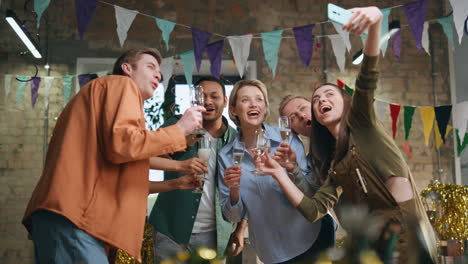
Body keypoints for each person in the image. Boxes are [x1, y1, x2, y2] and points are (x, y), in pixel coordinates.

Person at [256, 7, 438, 264]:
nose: (321, 101)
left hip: (405, 233)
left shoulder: (362, 124)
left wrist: (375, 21)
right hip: (369, 242)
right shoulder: (333, 163)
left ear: (346, 102)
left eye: (329, 95)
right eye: (316, 99)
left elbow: (367, 78)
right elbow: (314, 209)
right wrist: (278, 172)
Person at [22, 48, 205, 264]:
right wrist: (180, 129)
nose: (159, 74)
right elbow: (125, 145)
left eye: (159, 70)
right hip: (77, 218)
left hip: (69, 216)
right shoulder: (121, 85)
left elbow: (126, 163)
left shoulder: (105, 97)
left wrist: (178, 176)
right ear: (127, 69)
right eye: (150, 67)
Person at [218, 79, 335, 264]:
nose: (254, 104)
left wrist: (292, 170)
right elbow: (234, 216)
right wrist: (234, 189)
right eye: (245, 100)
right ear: (233, 110)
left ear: (265, 108)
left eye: (259, 99)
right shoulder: (225, 157)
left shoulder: (286, 141)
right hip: (272, 252)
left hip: (312, 238)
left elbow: (311, 195)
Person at [148, 76, 246, 261]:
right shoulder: (175, 126)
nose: (208, 101)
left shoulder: (236, 140)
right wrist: (189, 136)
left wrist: (240, 229)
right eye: (202, 97)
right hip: (171, 230)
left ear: (225, 101)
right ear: (194, 101)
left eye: (214, 96)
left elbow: (247, 188)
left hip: (214, 234)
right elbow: (150, 155)